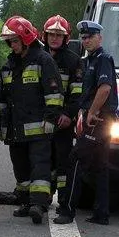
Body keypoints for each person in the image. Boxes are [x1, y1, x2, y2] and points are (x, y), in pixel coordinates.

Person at [0, 16, 63, 224]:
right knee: (20, 168)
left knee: (39, 167)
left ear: (25, 38)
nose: (12, 45)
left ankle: (39, 204)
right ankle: (25, 201)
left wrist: (50, 119)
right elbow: (2, 100)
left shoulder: (43, 61)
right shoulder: (8, 66)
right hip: (16, 130)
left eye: (14, 40)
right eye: (10, 41)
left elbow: (54, 94)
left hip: (39, 128)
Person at [54, 20, 118, 226]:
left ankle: (67, 211)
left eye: (89, 37)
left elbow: (105, 88)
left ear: (100, 37)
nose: (86, 40)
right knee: (100, 166)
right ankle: (101, 213)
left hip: (98, 119)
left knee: (76, 160)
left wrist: (91, 112)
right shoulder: (89, 60)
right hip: (97, 119)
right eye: (83, 37)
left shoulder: (102, 59)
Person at [42, 15, 84, 200]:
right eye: (51, 34)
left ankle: (64, 200)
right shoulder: (38, 57)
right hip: (41, 119)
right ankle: (42, 197)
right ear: (45, 35)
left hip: (62, 121)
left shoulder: (74, 61)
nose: (54, 38)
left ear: (66, 38)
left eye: (59, 35)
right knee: (42, 160)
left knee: (62, 161)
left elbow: (77, 93)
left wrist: (68, 115)